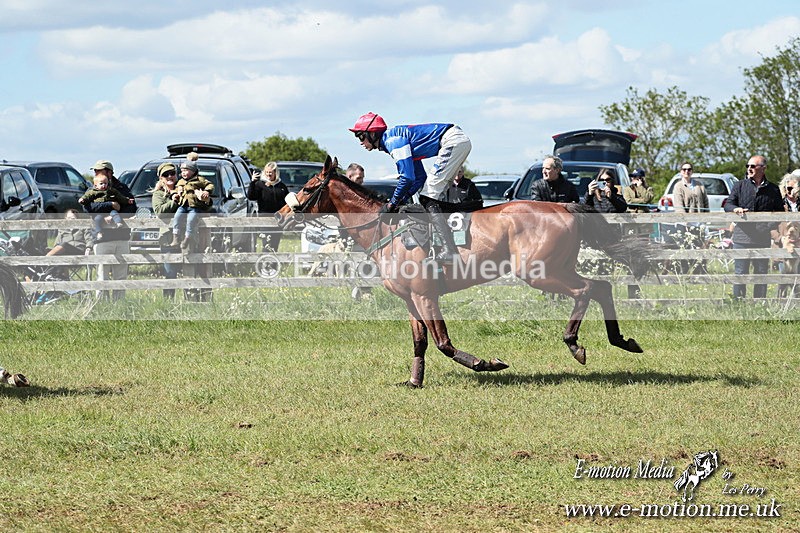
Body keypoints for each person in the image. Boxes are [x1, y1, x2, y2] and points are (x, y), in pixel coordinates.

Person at [350, 112, 471, 262]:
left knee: (428, 196)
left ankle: (449, 251)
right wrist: (402, 199)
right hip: (455, 140)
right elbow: (419, 178)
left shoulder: (393, 141)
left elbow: (407, 178)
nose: (360, 142)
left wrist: (393, 202)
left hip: (452, 141)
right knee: (430, 196)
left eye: (361, 136)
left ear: (373, 134)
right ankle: (445, 243)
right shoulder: (394, 141)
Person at [724, 155, 784, 299]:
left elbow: (779, 212)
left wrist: (767, 226)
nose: (749, 169)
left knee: (761, 273)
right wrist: (735, 209)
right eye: (748, 166)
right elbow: (728, 204)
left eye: (753, 166)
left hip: (762, 237)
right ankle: (738, 303)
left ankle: (760, 303)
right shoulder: (739, 185)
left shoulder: (773, 189)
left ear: (763, 168)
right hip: (741, 236)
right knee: (740, 272)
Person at [84, 160, 136, 301]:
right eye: (95, 171)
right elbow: (88, 208)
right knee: (102, 274)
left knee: (121, 275)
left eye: (98, 170)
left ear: (109, 172)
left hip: (121, 236)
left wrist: (116, 212)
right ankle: (101, 304)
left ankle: (119, 304)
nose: (95, 173)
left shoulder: (121, 187)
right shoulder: (93, 188)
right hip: (102, 238)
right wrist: (110, 205)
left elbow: (132, 208)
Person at [151, 162, 181, 299]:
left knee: (190, 270)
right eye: (166, 174)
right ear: (161, 178)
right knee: (170, 272)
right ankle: (168, 302)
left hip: (185, 236)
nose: (170, 176)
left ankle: (192, 300)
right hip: (168, 238)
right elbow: (160, 212)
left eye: (172, 173)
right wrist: (174, 201)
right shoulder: (158, 194)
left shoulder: (184, 189)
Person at [170, 158, 214, 252]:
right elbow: (175, 190)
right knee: (177, 217)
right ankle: (176, 237)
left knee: (191, 220)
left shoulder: (199, 179)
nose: (183, 173)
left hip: (194, 206)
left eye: (186, 170)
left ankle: (187, 238)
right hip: (183, 205)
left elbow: (210, 185)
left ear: (193, 171)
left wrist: (206, 191)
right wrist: (175, 194)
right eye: (182, 171)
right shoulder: (181, 181)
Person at [247, 161, 289, 252]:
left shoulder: (282, 186)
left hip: (278, 218)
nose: (268, 174)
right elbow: (251, 196)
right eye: (267, 172)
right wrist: (252, 182)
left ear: (275, 173)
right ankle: (265, 265)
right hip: (264, 217)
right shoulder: (260, 184)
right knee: (266, 244)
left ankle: (273, 265)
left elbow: (287, 202)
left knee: (275, 244)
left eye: (270, 172)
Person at [78, 173, 133, 241]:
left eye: (105, 183)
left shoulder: (111, 190)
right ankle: (99, 232)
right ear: (96, 185)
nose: (104, 185)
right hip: (100, 211)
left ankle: (118, 223)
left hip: (110, 210)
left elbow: (120, 197)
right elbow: (87, 197)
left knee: (114, 213)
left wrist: (127, 200)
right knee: (97, 219)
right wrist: (82, 200)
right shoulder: (92, 192)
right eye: (101, 184)